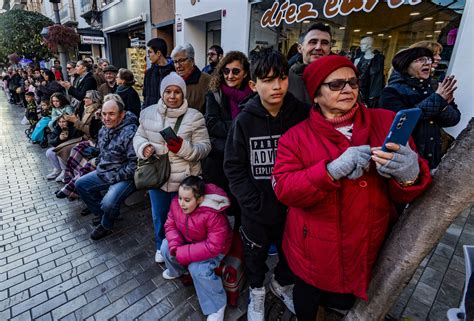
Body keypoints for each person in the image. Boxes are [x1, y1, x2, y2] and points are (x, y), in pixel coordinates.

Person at [271, 55, 432, 321]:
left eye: (353, 82)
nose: (348, 89)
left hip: (368, 242)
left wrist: (410, 175)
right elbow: (285, 189)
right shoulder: (295, 137)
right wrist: (330, 171)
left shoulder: (385, 121)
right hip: (314, 246)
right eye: (335, 85)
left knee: (346, 298)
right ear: (316, 95)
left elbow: (405, 191)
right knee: (308, 297)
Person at [223, 49, 309, 321]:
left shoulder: (302, 115)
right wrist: (253, 204)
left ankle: (280, 284)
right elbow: (234, 167)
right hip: (256, 211)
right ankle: (257, 294)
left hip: (293, 209)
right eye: (268, 80)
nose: (277, 86)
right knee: (255, 256)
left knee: (292, 256)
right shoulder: (244, 121)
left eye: (282, 78)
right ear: (253, 84)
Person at [133, 72, 211, 263]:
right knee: (159, 216)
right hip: (157, 177)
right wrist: (144, 148)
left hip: (184, 181)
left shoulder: (195, 117)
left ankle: (182, 250)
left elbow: (205, 148)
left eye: (177, 92)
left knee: (183, 219)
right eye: (168, 91)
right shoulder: (147, 113)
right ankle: (161, 245)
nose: (172, 96)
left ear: (183, 94)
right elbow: (138, 137)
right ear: (162, 93)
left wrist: (183, 148)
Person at [161, 176, 232, 321]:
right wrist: (175, 246)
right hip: (190, 241)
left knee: (198, 269)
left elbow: (213, 246)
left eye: (187, 200)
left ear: (199, 199)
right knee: (165, 246)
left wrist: (182, 252)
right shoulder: (176, 204)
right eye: (180, 197)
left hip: (214, 249)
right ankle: (178, 271)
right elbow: (170, 225)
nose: (181, 203)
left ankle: (217, 305)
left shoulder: (212, 214)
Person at [379, 47, 460, 169]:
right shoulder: (391, 91)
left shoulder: (435, 87)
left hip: (435, 155)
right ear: (406, 66)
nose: (427, 62)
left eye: (428, 59)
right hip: (406, 159)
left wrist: (443, 107)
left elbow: (454, 119)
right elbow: (402, 123)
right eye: (420, 59)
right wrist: (438, 100)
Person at [75, 94, 138, 240]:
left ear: (121, 115)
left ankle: (106, 224)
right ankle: (103, 215)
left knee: (108, 203)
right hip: (105, 171)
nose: (106, 118)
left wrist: (114, 177)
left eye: (111, 114)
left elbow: (134, 164)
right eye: (104, 114)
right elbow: (102, 150)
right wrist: (96, 158)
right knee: (80, 184)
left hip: (125, 177)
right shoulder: (104, 129)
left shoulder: (131, 132)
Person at [204, 51, 252, 221]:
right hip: (220, 160)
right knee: (221, 208)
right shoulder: (215, 93)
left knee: (243, 207)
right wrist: (242, 127)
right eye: (226, 71)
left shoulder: (254, 95)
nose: (230, 75)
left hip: (246, 161)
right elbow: (211, 124)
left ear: (245, 73)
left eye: (235, 71)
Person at [55, 90, 102, 195]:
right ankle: (68, 177)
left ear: (94, 99)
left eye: (87, 98)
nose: (84, 99)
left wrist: (75, 121)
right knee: (59, 148)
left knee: (69, 150)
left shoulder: (97, 112)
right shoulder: (85, 109)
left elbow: (92, 131)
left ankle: (72, 181)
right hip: (82, 137)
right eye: (85, 97)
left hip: (90, 140)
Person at [288, 23, 332, 105]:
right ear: (300, 48)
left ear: (329, 49)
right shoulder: (285, 79)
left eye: (324, 43)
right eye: (313, 42)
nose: (318, 47)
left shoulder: (341, 78)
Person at [171, 43, 211, 113]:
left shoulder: (207, 81)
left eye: (182, 60)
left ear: (192, 60)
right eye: (175, 62)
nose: (178, 66)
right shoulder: (172, 82)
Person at [142, 37, 175, 109]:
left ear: (158, 53)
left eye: (150, 52)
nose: (148, 55)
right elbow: (145, 97)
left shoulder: (174, 72)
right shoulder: (148, 73)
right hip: (151, 115)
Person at [353, 36, 385, 108]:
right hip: (358, 90)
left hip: (371, 92)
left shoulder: (378, 61)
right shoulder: (357, 60)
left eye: (363, 44)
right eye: (361, 44)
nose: (361, 46)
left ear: (370, 45)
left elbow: (378, 80)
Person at [46, 115, 80, 180]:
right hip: (61, 146)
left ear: (68, 122)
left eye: (64, 122)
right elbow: (51, 141)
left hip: (70, 147)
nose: (61, 124)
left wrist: (67, 136)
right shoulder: (58, 127)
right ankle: (58, 169)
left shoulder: (73, 127)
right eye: (60, 122)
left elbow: (75, 138)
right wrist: (59, 138)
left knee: (60, 151)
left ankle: (65, 171)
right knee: (49, 152)